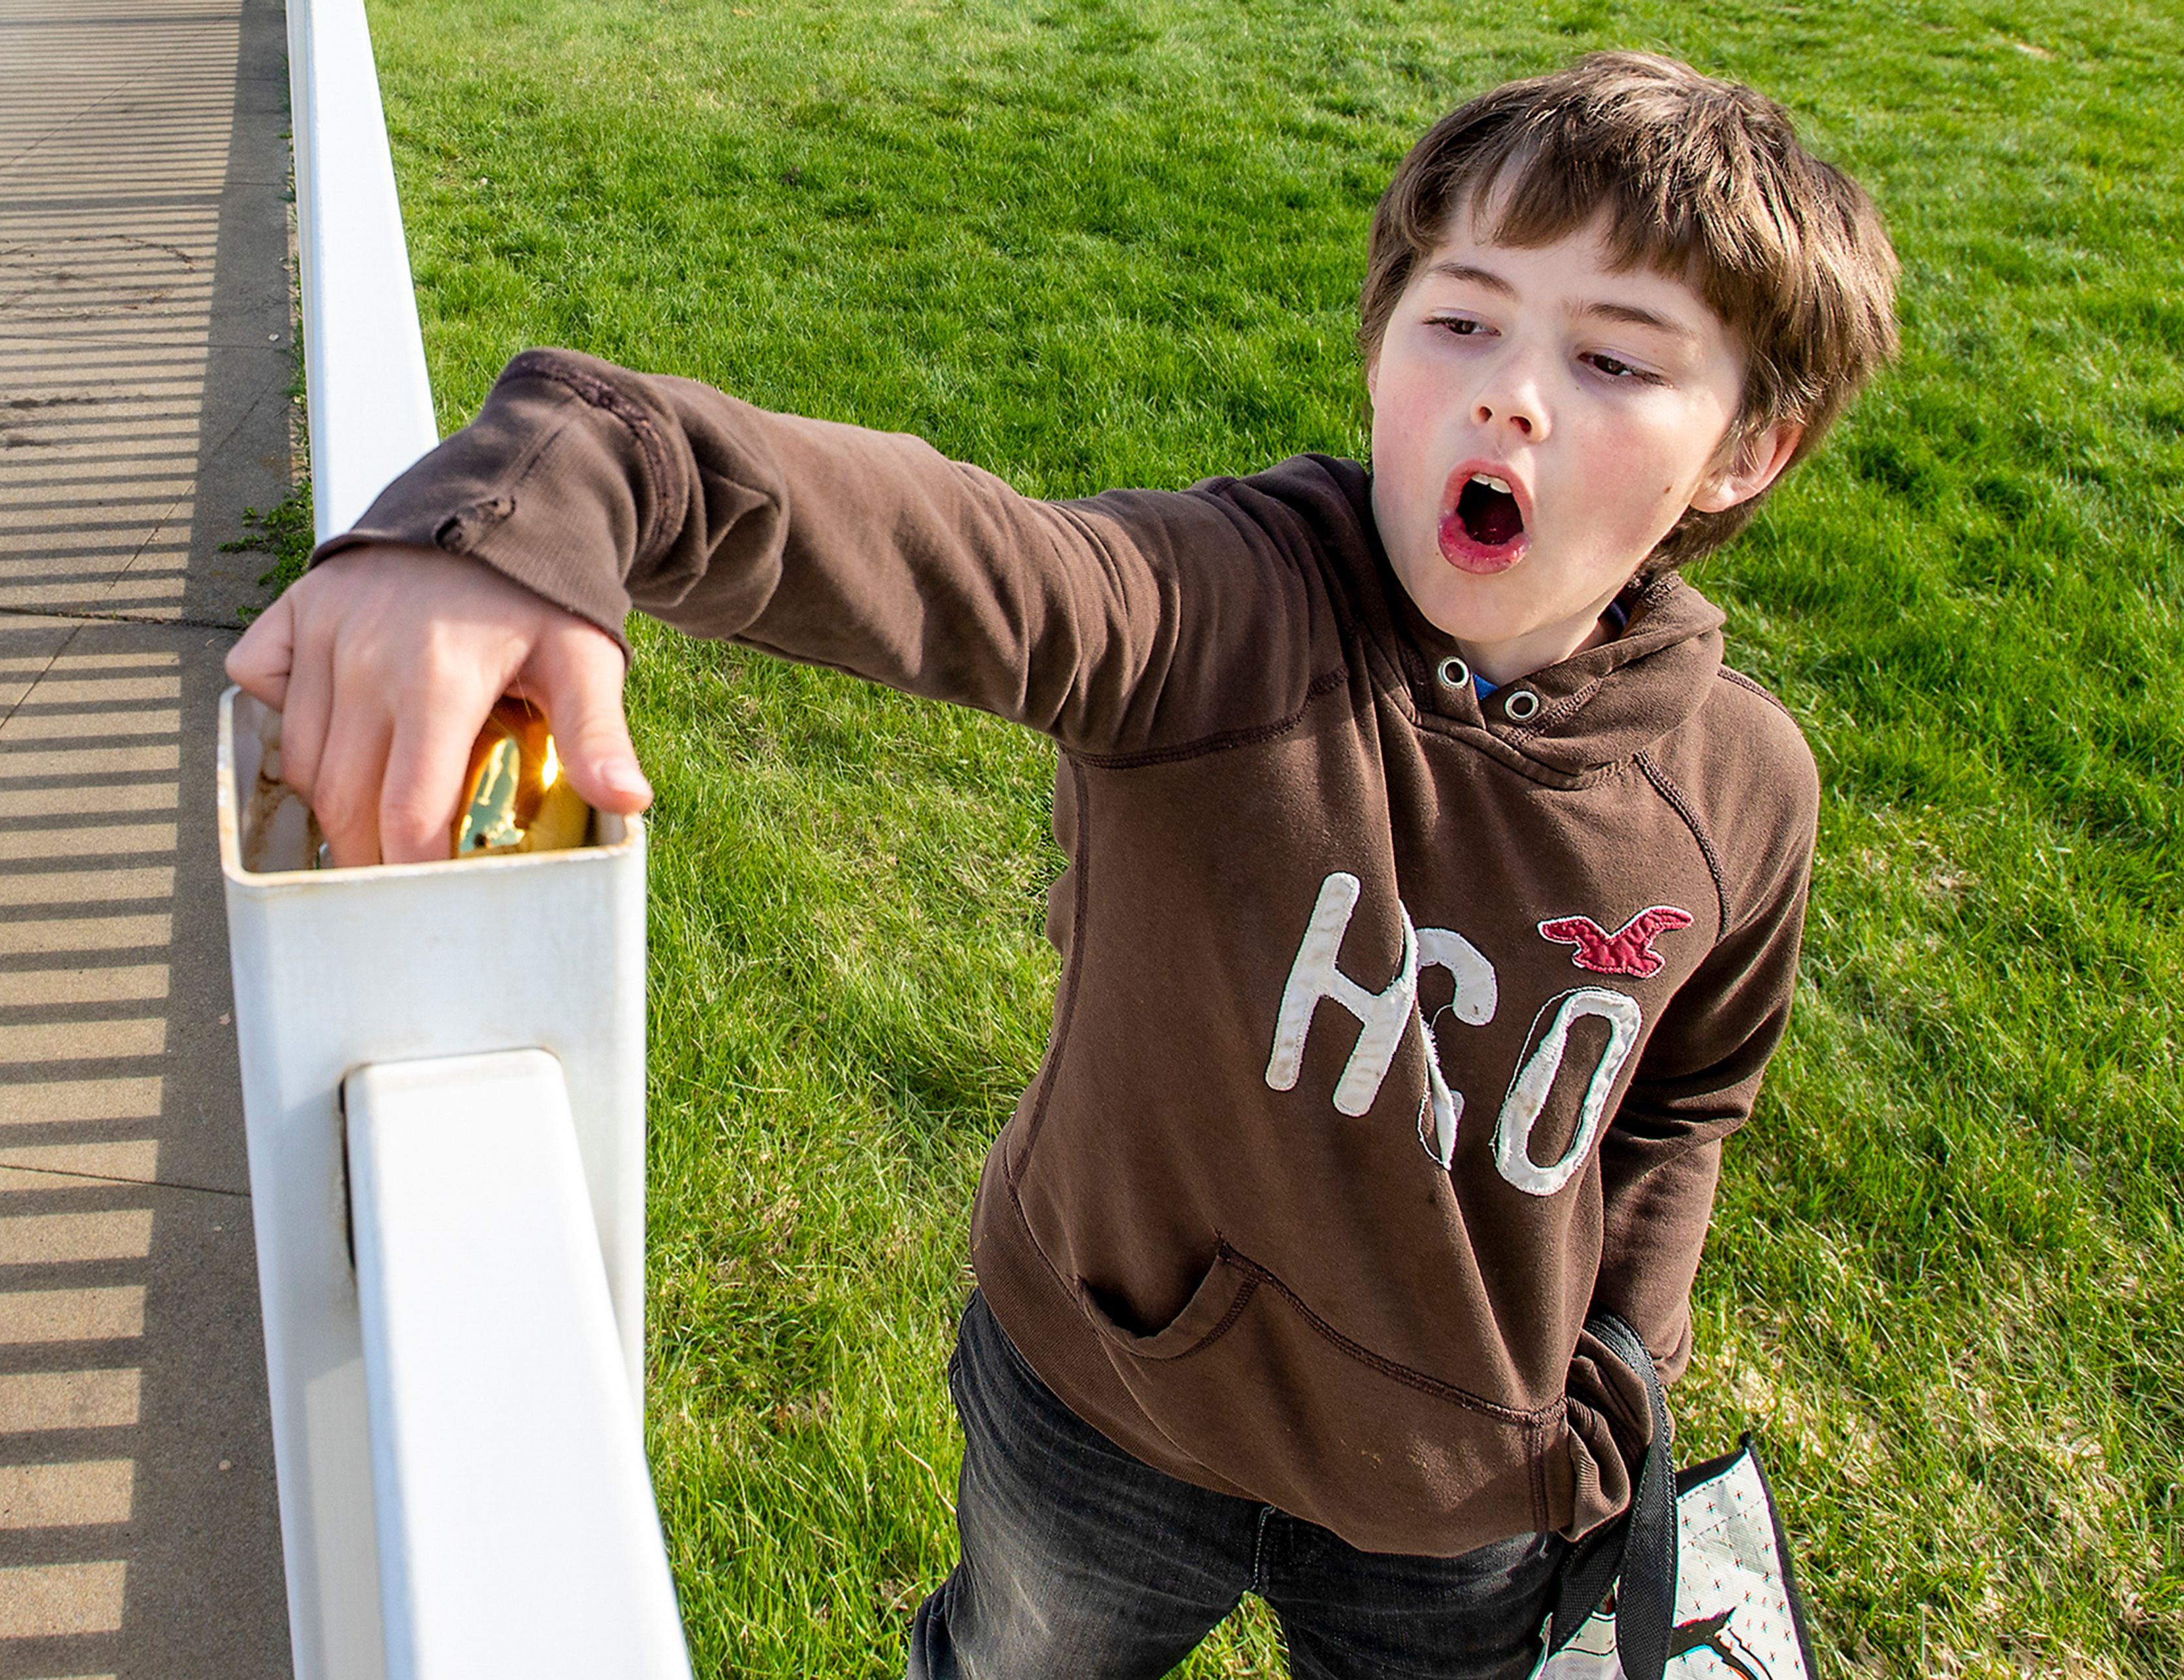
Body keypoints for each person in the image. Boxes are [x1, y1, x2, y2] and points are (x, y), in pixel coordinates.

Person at [228, 49, 1899, 1679]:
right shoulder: (1226, 618)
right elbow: (968, 557)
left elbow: (1685, 1096)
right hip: (1106, 1407)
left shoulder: (1742, 791)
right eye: (1460, 318)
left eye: (1616, 361)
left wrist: (1618, 1368)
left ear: (1748, 447)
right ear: (1384, 349)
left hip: (1453, 1504)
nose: (1509, 389)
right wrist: (583, 477)